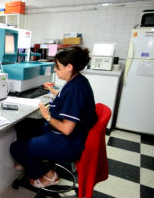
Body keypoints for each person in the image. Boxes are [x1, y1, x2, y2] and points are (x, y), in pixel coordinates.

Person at [10, 46, 97, 189]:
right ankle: (29, 160)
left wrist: (48, 116)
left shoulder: (75, 89)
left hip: (67, 143)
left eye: (58, 67)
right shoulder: (79, 81)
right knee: (23, 125)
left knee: (15, 149)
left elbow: (67, 129)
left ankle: (49, 176)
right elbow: (68, 100)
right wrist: (53, 91)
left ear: (69, 67)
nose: (55, 70)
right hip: (66, 135)